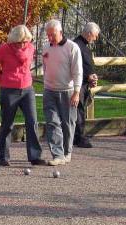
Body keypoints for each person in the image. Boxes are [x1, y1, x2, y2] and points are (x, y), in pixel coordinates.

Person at [0, 25, 44, 166]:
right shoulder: (5, 49)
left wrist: (23, 48)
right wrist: (1, 81)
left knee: (32, 122)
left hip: (27, 89)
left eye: (26, 41)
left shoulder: (30, 48)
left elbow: (25, 61)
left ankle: (35, 156)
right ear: (14, 40)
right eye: (20, 42)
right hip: (9, 90)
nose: (23, 44)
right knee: (7, 125)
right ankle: (3, 157)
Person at [41, 19, 83, 166]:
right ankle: (57, 154)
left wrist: (77, 92)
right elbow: (45, 67)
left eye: (52, 35)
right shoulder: (46, 47)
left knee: (68, 123)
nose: (50, 38)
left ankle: (67, 152)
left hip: (67, 90)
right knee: (52, 122)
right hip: (49, 90)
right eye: (48, 35)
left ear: (60, 32)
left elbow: (78, 72)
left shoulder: (72, 47)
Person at [73, 22, 100, 149]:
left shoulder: (81, 45)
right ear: (89, 33)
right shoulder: (77, 45)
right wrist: (88, 76)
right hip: (78, 83)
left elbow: (86, 64)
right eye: (95, 36)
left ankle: (76, 136)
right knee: (79, 110)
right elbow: (76, 67)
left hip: (84, 82)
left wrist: (92, 76)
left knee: (79, 109)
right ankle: (79, 137)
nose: (95, 38)